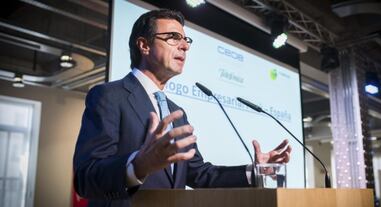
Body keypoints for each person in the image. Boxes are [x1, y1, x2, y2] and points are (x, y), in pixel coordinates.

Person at [73, 9, 292, 207]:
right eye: (173, 37)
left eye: (185, 39)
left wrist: (256, 171)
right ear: (144, 45)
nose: (185, 46)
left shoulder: (175, 111)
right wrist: (138, 165)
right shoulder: (109, 96)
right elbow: (84, 179)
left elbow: (201, 175)